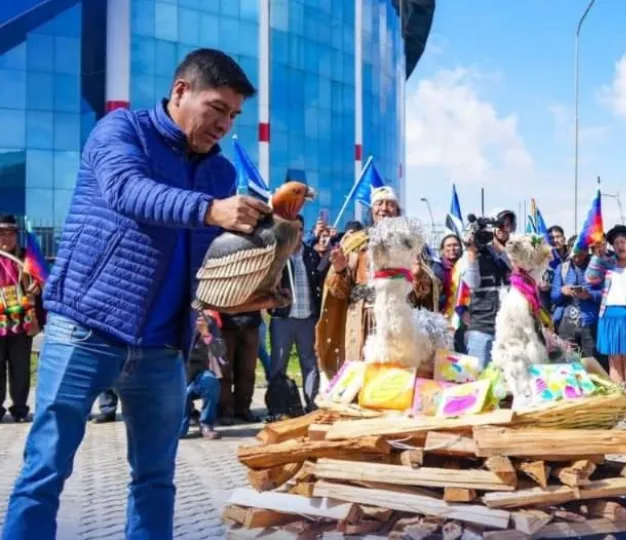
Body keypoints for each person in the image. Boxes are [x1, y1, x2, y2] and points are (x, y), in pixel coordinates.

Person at [2, 49, 264, 540]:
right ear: (181, 91)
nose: (225, 124)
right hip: (85, 330)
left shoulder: (221, 174)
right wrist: (212, 211)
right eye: (217, 108)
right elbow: (129, 192)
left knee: (155, 480)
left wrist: (250, 286)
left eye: (233, 115)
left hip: (163, 349)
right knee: (44, 475)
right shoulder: (121, 131)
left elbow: (208, 262)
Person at [316, 187, 438, 376]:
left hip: (398, 319)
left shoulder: (409, 244)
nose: (384, 208)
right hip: (360, 321)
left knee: (396, 372)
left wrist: (418, 275)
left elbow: (423, 293)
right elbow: (339, 291)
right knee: (361, 375)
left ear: (397, 211)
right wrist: (340, 270)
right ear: (371, 210)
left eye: (390, 204)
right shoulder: (355, 243)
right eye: (379, 203)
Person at [586, 225, 626, 420]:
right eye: (616, 243)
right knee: (614, 363)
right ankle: (618, 407)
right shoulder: (607, 262)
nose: (620, 246)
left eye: (624, 242)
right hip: (610, 316)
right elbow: (590, 278)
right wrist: (597, 255)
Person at [269, 215, 327, 411]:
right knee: (278, 364)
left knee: (310, 364)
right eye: (292, 229)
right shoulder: (277, 256)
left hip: (307, 320)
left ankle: (312, 404)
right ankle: (277, 407)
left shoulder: (312, 255)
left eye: (300, 229)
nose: (296, 233)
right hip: (283, 319)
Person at [0, 215, 43, 424]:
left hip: (20, 324)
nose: (6, 239)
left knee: (20, 369)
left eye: (10, 234)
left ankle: (19, 409)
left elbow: (41, 278)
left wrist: (37, 286)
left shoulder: (27, 258)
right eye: (1, 234)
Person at [462, 209, 516, 365]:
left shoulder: (513, 253)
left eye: (507, 225)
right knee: (480, 377)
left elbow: (518, 269)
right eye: (499, 225)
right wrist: (472, 251)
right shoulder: (475, 252)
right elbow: (472, 283)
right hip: (482, 327)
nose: (502, 229)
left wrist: (498, 249)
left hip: (509, 327)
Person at [550, 236, 601, 360]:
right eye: (575, 255)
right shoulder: (562, 268)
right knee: (568, 361)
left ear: (587, 250)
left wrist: (589, 295)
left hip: (590, 322)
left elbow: (605, 294)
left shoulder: (597, 268)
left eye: (581, 255)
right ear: (569, 249)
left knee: (592, 362)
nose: (577, 259)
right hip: (567, 322)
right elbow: (553, 296)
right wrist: (562, 291)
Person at [181, 311, 223, 440]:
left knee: (210, 381)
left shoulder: (208, 320)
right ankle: (180, 425)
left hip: (198, 372)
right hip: (176, 375)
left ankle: (206, 424)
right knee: (178, 433)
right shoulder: (171, 318)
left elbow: (220, 351)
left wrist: (205, 333)